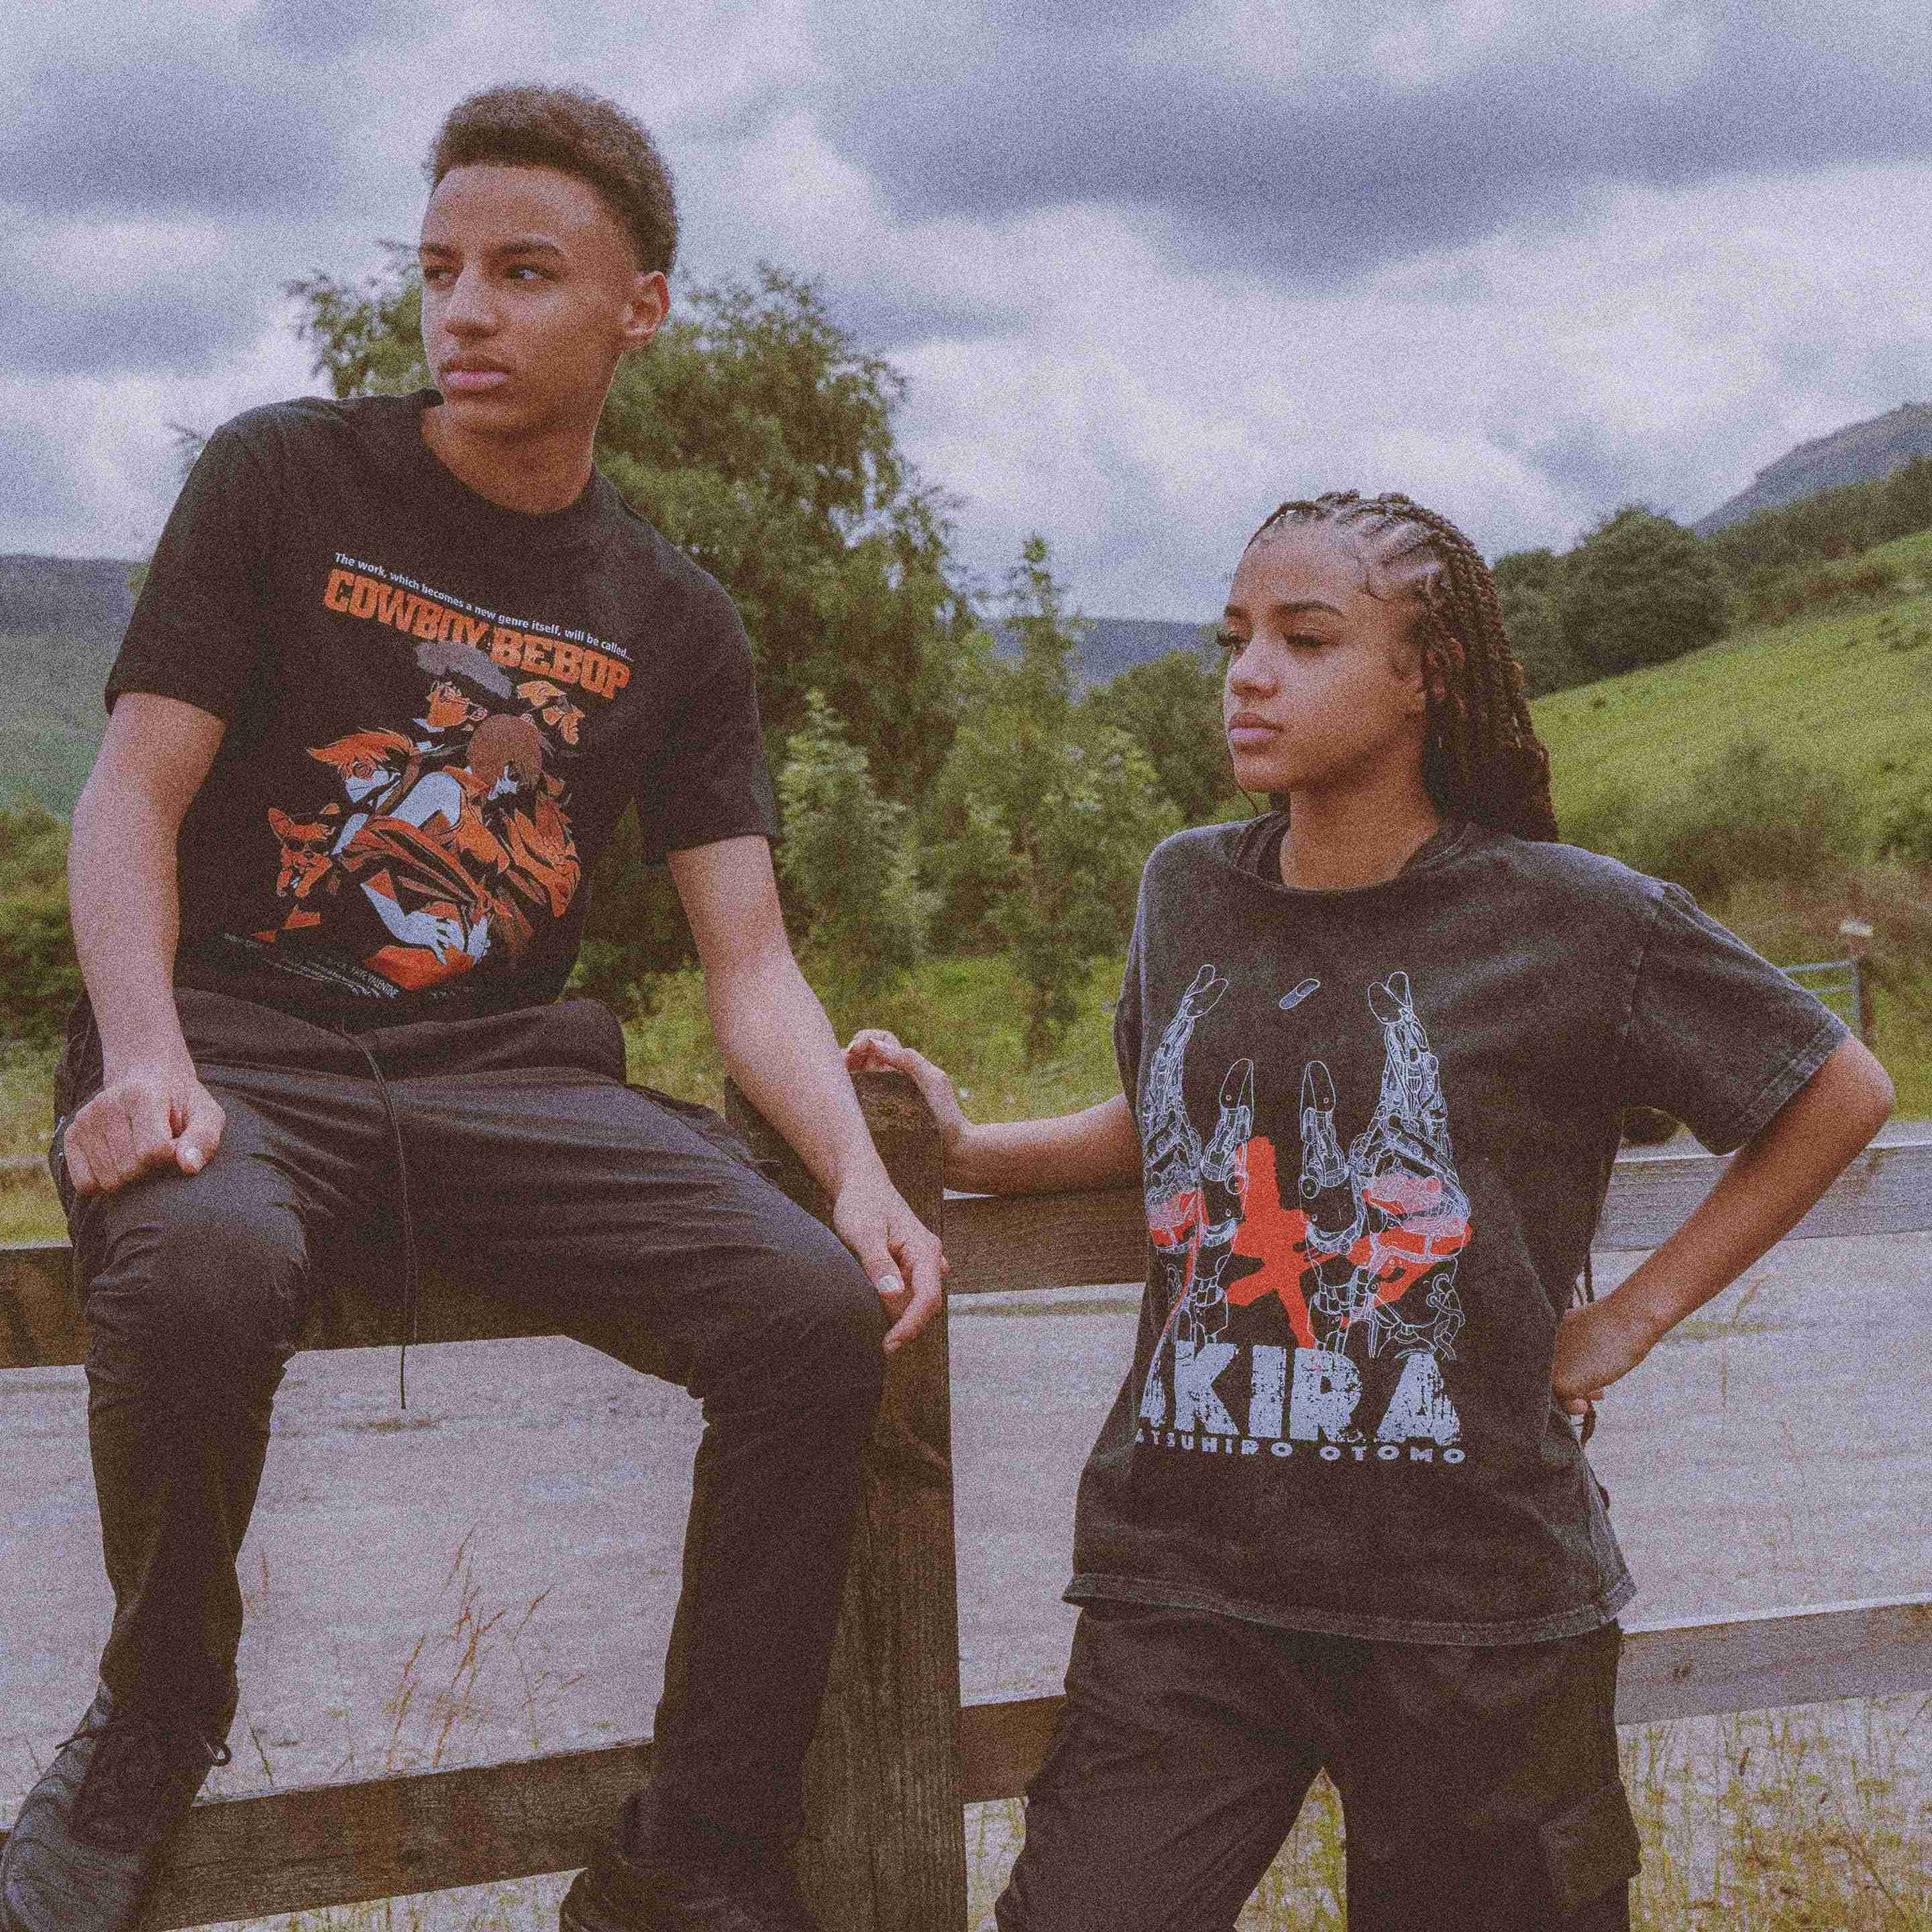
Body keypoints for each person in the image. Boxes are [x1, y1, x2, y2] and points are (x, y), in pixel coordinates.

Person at [0, 83, 943, 1932]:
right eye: (438, 269)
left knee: (810, 1316)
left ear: (638, 308)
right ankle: (158, 1714)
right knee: (199, 1272)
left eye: (523, 272)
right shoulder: (283, 479)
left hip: (503, 1077)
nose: (465, 312)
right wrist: (147, 1054)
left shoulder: (674, 617)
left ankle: (700, 1853)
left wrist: (856, 1174)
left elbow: (748, 960)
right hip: (237, 1044)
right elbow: (130, 797)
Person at [849, 490, 1894, 1931]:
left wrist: (1632, 1319)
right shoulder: (1186, 887)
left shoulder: (1577, 916)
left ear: (1425, 676)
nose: (1249, 674)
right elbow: (1173, 1125)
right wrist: (968, 1147)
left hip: (1475, 1605)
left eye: (1306, 639)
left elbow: (1837, 1090)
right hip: (1189, 1584)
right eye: (1235, 638)